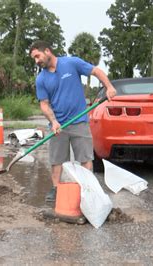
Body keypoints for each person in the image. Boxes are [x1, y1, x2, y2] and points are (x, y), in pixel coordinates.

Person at [29, 40, 117, 202]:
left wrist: (109, 87)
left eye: (37, 56)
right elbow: (44, 104)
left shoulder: (71, 63)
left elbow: (96, 71)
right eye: (34, 58)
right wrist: (54, 121)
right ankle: (56, 189)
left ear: (47, 51)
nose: (36, 61)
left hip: (80, 122)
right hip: (58, 126)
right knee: (56, 160)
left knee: (85, 158)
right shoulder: (41, 79)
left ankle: (88, 189)